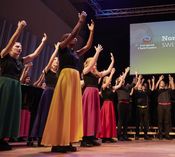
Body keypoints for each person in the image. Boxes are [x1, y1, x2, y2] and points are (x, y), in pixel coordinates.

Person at [41, 11, 100, 153]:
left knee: (70, 110)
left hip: (73, 80)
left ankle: (66, 140)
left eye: (72, 38)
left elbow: (87, 47)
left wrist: (91, 32)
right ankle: (58, 142)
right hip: (66, 78)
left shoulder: (74, 53)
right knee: (63, 109)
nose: (74, 39)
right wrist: (80, 22)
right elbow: (73, 34)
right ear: (66, 40)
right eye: (70, 38)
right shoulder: (62, 48)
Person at [0, 20, 47, 151]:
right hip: (4, 84)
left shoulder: (21, 61)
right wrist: (19, 29)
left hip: (15, 87)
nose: (19, 48)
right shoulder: (4, 55)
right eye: (17, 46)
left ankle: (4, 138)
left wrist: (43, 42)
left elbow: (35, 55)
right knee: (2, 110)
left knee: (10, 112)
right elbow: (10, 43)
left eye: (20, 47)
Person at [81, 52, 114, 147]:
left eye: (96, 64)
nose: (95, 65)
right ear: (88, 64)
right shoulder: (85, 71)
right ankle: (85, 139)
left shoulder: (97, 74)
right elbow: (91, 64)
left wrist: (112, 61)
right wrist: (97, 53)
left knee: (94, 116)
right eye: (93, 63)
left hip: (95, 94)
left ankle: (91, 137)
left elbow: (107, 71)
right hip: (89, 93)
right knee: (88, 115)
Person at [30, 43, 60, 146]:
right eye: (54, 61)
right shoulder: (47, 71)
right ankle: (41, 137)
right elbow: (50, 60)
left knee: (53, 116)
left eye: (57, 61)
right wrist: (56, 50)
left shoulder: (59, 74)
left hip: (55, 95)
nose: (56, 63)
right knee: (45, 114)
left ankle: (50, 137)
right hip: (48, 93)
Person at [97, 68, 124, 143]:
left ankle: (109, 136)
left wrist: (122, 78)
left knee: (110, 121)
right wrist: (111, 74)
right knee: (106, 121)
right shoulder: (103, 87)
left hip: (111, 105)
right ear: (105, 81)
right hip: (106, 106)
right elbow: (106, 83)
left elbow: (118, 86)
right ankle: (104, 137)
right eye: (108, 79)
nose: (110, 80)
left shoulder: (111, 88)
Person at [152, 75, 174, 140]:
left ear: (164, 84)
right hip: (160, 106)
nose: (162, 83)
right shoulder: (158, 91)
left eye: (163, 82)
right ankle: (160, 135)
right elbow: (155, 88)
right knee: (160, 121)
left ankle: (167, 135)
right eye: (161, 83)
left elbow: (173, 88)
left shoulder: (167, 90)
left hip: (167, 106)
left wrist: (171, 80)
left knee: (167, 121)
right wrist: (159, 80)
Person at [133, 75, 152, 140]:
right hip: (139, 108)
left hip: (145, 108)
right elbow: (135, 87)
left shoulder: (145, 91)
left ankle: (146, 135)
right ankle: (137, 135)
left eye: (141, 85)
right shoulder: (136, 92)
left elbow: (150, 91)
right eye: (140, 85)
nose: (141, 86)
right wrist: (139, 79)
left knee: (145, 122)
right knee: (138, 122)